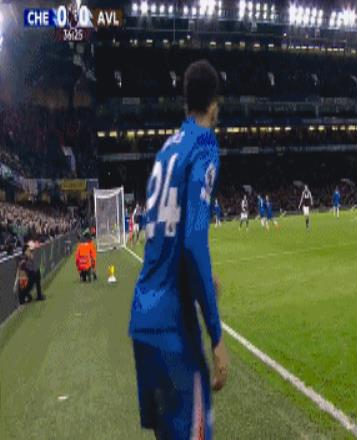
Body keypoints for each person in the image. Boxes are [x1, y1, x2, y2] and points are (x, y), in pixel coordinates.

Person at [129, 59, 228, 440]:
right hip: (174, 332)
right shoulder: (204, 145)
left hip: (144, 322)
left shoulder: (165, 150)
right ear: (213, 105)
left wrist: (200, 279)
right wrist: (216, 335)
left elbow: (163, 237)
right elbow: (192, 243)